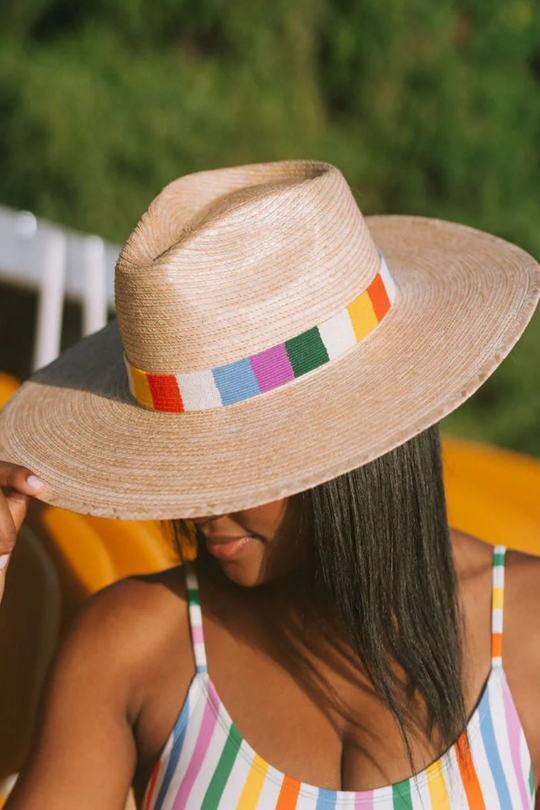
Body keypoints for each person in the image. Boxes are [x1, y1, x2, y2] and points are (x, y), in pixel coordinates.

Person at [0, 160, 539, 809]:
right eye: (185, 461)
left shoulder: (530, 628)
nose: (203, 505)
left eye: (243, 467)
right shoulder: (132, 647)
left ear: (359, 452)